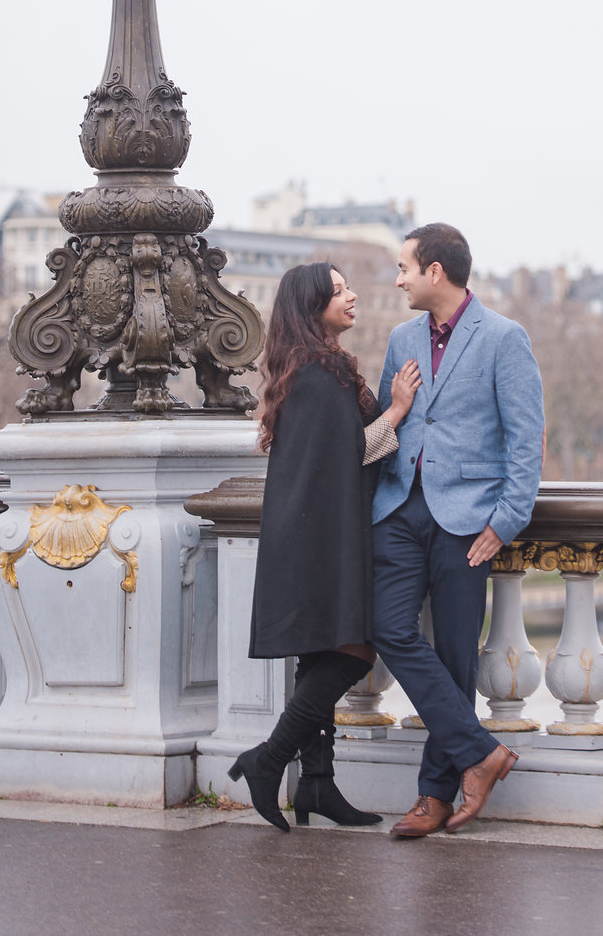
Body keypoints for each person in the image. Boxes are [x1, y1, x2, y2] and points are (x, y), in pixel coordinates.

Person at [229, 261, 421, 831]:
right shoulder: (320, 371)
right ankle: (268, 761)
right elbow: (349, 455)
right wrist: (397, 410)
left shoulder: (305, 368)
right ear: (312, 307)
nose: (353, 296)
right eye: (339, 292)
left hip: (308, 532)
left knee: (317, 652)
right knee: (351, 649)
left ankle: (317, 783)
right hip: (320, 536)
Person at [372, 223, 545, 836]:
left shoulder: (503, 338)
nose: (397, 280)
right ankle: (482, 752)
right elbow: (388, 426)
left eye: (404, 268)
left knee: (453, 655)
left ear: (436, 271)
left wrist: (507, 520)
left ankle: (433, 796)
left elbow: (527, 440)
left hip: (468, 520)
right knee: (388, 627)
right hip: (399, 509)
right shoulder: (401, 338)